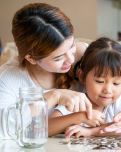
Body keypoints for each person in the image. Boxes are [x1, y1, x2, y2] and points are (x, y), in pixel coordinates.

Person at [0, 3, 96, 138]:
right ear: (31, 58)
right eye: (58, 58)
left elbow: (114, 93)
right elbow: (2, 129)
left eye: (71, 45)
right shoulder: (8, 78)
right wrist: (53, 96)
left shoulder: (84, 55)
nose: (70, 59)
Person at [49, 37, 121, 138]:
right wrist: (80, 117)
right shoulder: (77, 100)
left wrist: (91, 132)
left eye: (116, 83)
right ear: (82, 76)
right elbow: (47, 128)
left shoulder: (118, 101)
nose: (107, 90)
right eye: (100, 81)